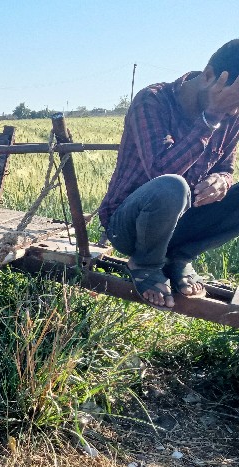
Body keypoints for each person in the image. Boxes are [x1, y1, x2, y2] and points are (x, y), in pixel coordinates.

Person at [98, 39, 239, 309]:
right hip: (129, 228)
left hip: (182, 223)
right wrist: (212, 117)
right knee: (172, 186)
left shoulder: (232, 114)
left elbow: (226, 168)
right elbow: (162, 171)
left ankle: (178, 257)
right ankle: (145, 263)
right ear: (209, 76)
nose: (235, 111)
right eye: (233, 102)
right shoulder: (153, 100)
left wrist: (221, 182)